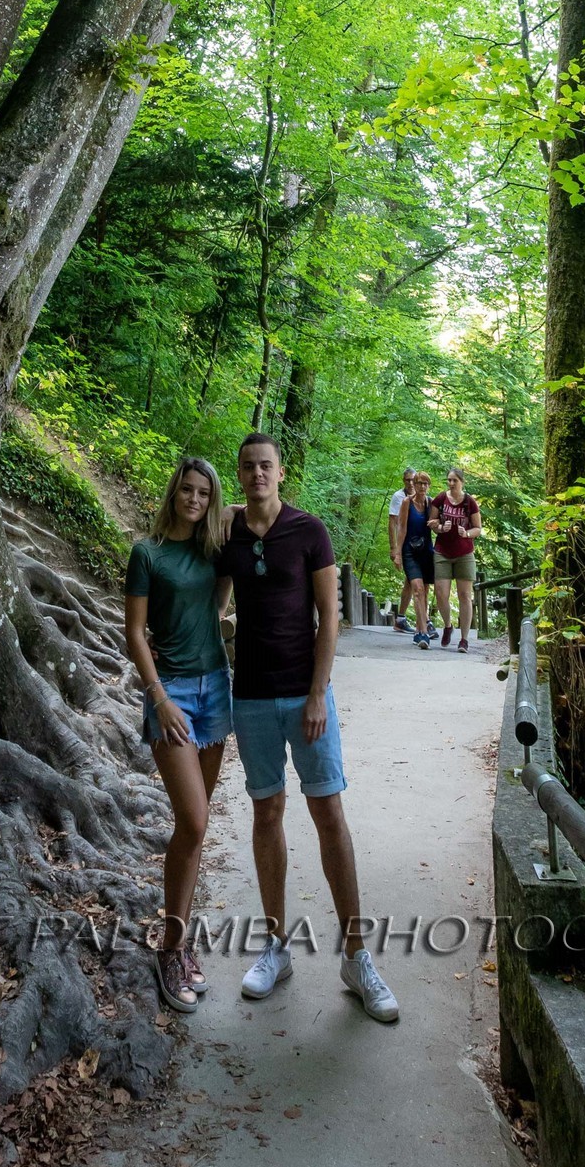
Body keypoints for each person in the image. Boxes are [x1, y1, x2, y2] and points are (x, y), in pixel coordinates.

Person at [214, 432, 400, 1023]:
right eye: (247, 467)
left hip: (306, 697)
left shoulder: (310, 531)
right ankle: (276, 947)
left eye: (265, 466)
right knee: (267, 814)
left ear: (281, 472)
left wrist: (318, 693)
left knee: (329, 815)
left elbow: (330, 619)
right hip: (250, 698)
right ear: (239, 475)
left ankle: (356, 956)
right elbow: (212, 602)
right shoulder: (228, 534)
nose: (256, 474)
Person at [123, 455, 233, 1014]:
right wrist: (159, 697)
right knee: (192, 820)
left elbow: (253, 514)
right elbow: (134, 633)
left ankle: (180, 942)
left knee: (195, 829)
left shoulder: (214, 549)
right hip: (173, 698)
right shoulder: (148, 553)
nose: (195, 499)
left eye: (204, 493)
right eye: (187, 490)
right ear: (174, 493)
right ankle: (169, 951)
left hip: (217, 689)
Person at [429, 468, 483, 652]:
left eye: (454, 480)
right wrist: (440, 528)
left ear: (462, 482)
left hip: (464, 553)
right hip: (442, 551)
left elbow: (478, 528)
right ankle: (447, 625)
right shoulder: (440, 499)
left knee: (465, 595)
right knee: (441, 594)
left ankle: (464, 639)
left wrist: (466, 533)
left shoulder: (470, 502)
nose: (451, 484)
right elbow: (432, 523)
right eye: (449, 480)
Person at [399, 470, 436, 648]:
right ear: (414, 484)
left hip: (426, 552)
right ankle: (422, 632)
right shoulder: (407, 503)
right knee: (417, 589)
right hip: (410, 552)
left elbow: (437, 526)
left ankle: (418, 631)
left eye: (425, 483)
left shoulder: (431, 503)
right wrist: (397, 553)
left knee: (425, 591)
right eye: (419, 483)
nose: (422, 486)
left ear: (429, 486)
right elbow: (402, 529)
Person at [386, 469, 416, 631]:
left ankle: (402, 619)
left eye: (412, 480)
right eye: (407, 480)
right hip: (405, 544)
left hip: (418, 543)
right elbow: (392, 522)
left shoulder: (422, 495)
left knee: (413, 581)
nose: (410, 483)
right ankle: (404, 619)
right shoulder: (399, 497)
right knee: (413, 579)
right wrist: (394, 548)